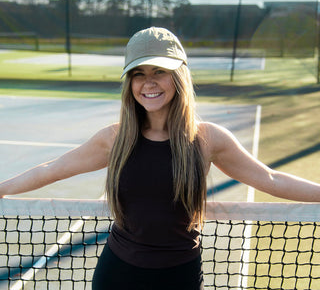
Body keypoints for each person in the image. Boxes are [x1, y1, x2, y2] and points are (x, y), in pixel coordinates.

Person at [0, 26, 320, 290]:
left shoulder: (209, 139)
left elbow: (270, 179)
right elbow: (53, 169)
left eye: (159, 71)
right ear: (130, 84)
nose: (148, 82)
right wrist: (2, 187)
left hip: (178, 276)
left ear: (178, 76)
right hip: (117, 275)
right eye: (138, 73)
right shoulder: (114, 138)